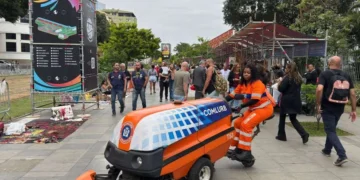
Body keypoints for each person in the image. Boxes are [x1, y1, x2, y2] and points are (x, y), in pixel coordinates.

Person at [225, 63, 275, 160]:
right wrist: (221, 101)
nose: (246, 74)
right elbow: (232, 95)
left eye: (248, 72)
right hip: (253, 109)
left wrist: (242, 105)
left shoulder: (258, 84)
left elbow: (255, 99)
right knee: (238, 123)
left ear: (253, 74)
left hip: (263, 108)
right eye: (244, 72)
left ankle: (246, 152)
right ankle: (237, 148)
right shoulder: (242, 84)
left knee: (246, 125)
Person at [316, 56, 357, 166]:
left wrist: (318, 103)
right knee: (332, 128)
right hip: (340, 106)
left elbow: (319, 89)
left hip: (327, 106)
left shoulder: (325, 74)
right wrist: (353, 109)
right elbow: (352, 94)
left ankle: (342, 155)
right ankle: (327, 150)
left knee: (330, 130)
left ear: (329, 63)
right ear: (340, 64)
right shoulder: (346, 75)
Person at [276, 62, 309, 143]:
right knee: (293, 118)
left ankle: (281, 135)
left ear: (289, 68)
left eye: (287, 68)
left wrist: (279, 83)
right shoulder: (298, 78)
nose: (286, 69)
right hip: (296, 100)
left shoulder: (287, 78)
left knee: (282, 117)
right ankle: (304, 134)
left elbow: (281, 89)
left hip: (287, 100)